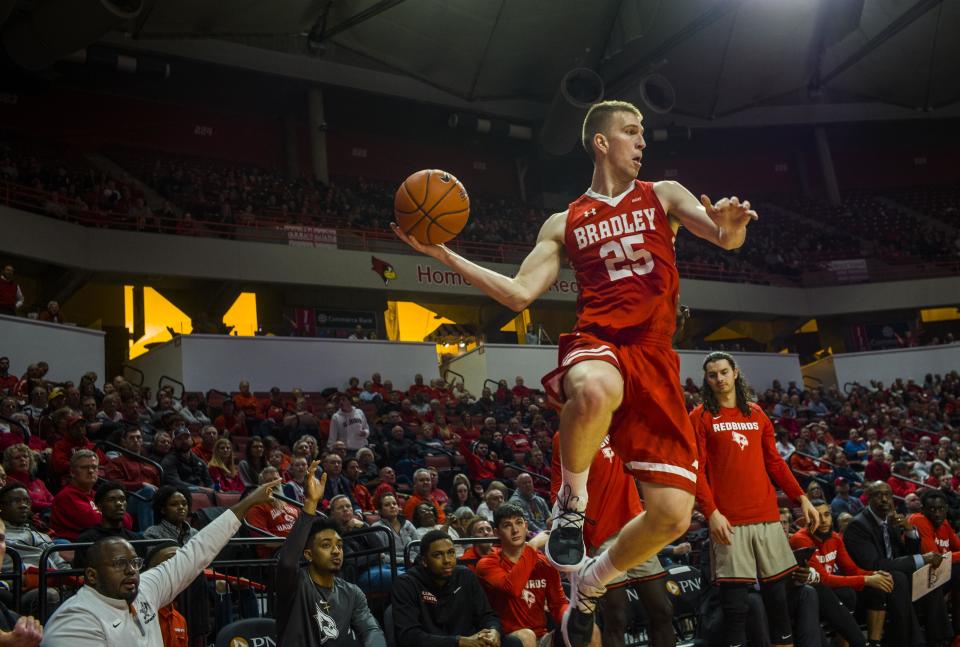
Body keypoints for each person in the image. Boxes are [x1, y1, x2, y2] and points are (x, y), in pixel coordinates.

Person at [392, 99, 757, 646]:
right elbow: (518, 294)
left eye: (643, 133)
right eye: (631, 132)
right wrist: (445, 255)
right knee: (590, 389)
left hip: (656, 356)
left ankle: (590, 580)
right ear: (601, 142)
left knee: (673, 517)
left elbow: (725, 237)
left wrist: (732, 229)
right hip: (600, 341)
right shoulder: (565, 222)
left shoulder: (663, 194)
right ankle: (570, 506)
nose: (642, 141)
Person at [40, 478, 280, 646]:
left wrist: (247, 503)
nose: (131, 570)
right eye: (119, 564)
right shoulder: (74, 621)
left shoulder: (145, 587)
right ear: (91, 576)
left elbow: (196, 552)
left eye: (134, 562)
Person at [691, 352, 818, 647]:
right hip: (729, 522)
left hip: (767, 518)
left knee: (778, 602)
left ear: (735, 373)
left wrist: (801, 498)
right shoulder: (700, 416)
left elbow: (775, 463)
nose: (719, 379)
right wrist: (711, 513)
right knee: (736, 608)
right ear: (706, 380)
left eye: (724, 372)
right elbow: (695, 470)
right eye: (712, 375)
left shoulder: (757, 414)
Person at [550, 432, 675, 647]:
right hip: (601, 535)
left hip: (635, 526)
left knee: (662, 610)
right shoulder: (566, 435)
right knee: (616, 617)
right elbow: (558, 490)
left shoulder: (616, 421)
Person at [273, 460, 384, 645]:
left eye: (339, 545)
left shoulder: (352, 592)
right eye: (326, 545)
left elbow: (371, 629)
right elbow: (287, 562)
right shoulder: (295, 585)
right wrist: (310, 504)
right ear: (308, 554)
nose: (336, 551)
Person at [843, 481, 945, 647]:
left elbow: (907, 556)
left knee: (929, 576)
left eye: (887, 495)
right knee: (898, 578)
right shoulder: (858, 526)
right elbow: (875, 565)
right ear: (868, 498)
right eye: (878, 495)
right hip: (868, 585)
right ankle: (913, 642)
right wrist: (922, 559)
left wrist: (909, 530)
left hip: (895, 581)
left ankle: (939, 638)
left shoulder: (890, 521)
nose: (884, 499)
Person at [477, 503, 585, 647]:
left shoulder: (543, 562)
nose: (515, 530)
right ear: (497, 532)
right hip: (508, 638)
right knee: (527, 635)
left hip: (543, 636)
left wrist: (570, 618)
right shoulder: (487, 564)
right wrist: (532, 546)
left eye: (519, 523)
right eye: (507, 525)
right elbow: (513, 588)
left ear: (526, 526)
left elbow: (558, 604)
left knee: (589, 630)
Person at [790, 498, 894, 647]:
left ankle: (874, 642)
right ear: (808, 518)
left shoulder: (834, 537)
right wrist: (866, 579)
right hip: (807, 594)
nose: (824, 520)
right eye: (817, 516)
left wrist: (875, 575)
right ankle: (859, 643)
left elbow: (852, 570)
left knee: (875, 589)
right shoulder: (801, 539)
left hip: (829, 592)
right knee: (842, 592)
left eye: (826, 514)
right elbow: (822, 579)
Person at [392, 529, 509, 647]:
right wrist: (459, 642)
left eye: (451, 552)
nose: (447, 560)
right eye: (437, 555)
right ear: (424, 561)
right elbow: (409, 636)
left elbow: (487, 615)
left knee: (517, 639)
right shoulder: (406, 584)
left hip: (471, 642)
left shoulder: (466, 576)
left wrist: (494, 631)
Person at [908, 489, 960, 637]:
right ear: (923, 510)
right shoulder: (918, 520)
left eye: (940, 509)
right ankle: (955, 634)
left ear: (946, 509)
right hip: (920, 579)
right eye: (932, 509)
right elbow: (935, 559)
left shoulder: (944, 523)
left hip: (940, 577)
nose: (937, 513)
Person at [104, 427, 160, 531]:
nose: (136, 440)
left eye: (138, 437)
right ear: (124, 442)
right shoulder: (116, 462)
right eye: (131, 438)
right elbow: (114, 485)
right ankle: (148, 537)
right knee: (147, 492)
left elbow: (158, 486)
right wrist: (141, 484)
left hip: (152, 498)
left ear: (142, 441)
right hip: (125, 501)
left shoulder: (150, 463)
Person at [75, 482, 141, 568]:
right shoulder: (87, 539)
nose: (119, 503)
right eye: (111, 500)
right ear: (99, 506)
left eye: (122, 499)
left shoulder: (136, 539)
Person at [50, 450, 108, 541]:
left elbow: (128, 520)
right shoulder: (66, 497)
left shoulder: (97, 494)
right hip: (75, 548)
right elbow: (93, 522)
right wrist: (112, 515)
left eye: (94, 467)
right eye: (84, 467)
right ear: (72, 472)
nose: (90, 471)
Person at [245, 467, 300, 558]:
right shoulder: (256, 508)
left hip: (298, 549)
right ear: (261, 486)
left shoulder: (292, 505)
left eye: (275, 479)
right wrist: (294, 543)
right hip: (275, 555)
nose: (273, 484)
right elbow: (264, 540)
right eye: (269, 481)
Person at [160, 428, 214, 494]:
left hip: (202, 496)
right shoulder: (168, 461)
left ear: (191, 440)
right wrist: (200, 489)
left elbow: (210, 483)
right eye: (179, 439)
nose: (184, 441)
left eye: (186, 437)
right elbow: (175, 484)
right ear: (173, 443)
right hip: (181, 497)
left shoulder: (200, 462)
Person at [372, 493, 418, 568]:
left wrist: (416, 560)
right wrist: (405, 561)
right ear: (380, 511)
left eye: (394, 503)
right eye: (387, 505)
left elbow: (418, 548)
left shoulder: (408, 524)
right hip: (393, 566)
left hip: (415, 563)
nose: (392, 506)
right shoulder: (377, 528)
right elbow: (382, 557)